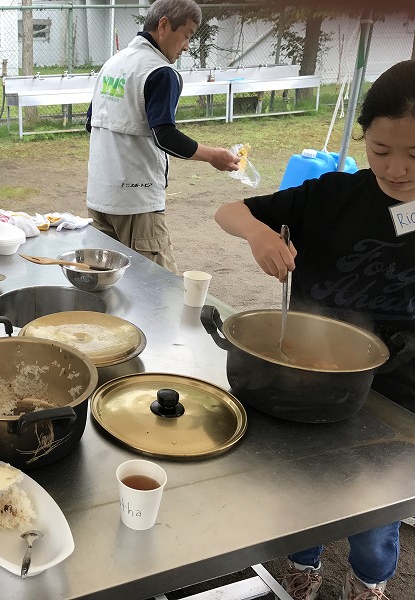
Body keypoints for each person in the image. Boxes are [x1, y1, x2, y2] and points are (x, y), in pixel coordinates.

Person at [215, 59, 415, 600]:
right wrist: (258, 235)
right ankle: (302, 566)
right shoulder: (333, 196)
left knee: (377, 506)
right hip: (301, 374)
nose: (396, 170)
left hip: (399, 389)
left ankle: (368, 580)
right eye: (380, 151)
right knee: (302, 485)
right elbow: (230, 209)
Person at [85, 0, 240, 275]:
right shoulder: (161, 72)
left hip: (100, 197)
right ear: (164, 26)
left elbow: (91, 123)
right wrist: (213, 156)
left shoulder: (113, 64)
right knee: (159, 289)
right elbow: (165, 135)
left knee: (108, 284)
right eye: (187, 35)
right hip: (137, 203)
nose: (187, 46)